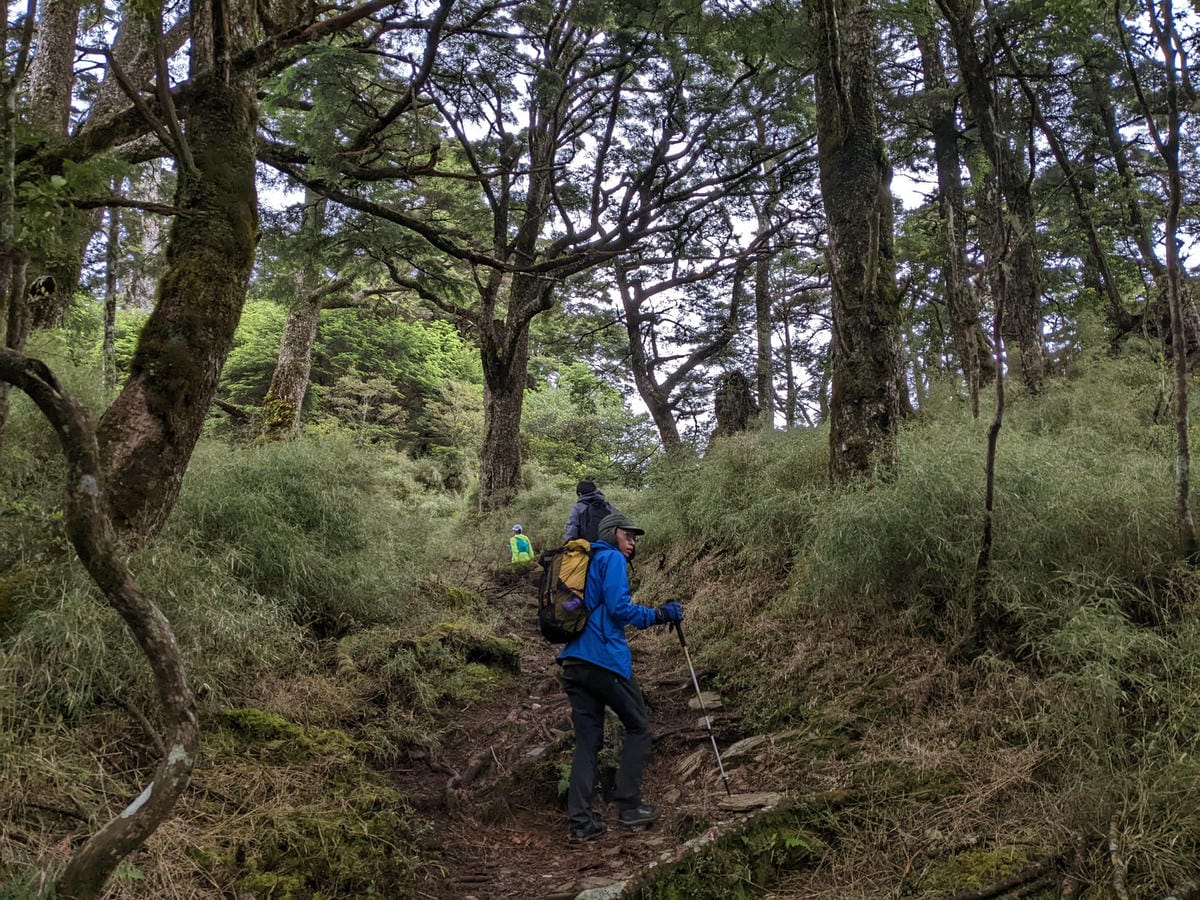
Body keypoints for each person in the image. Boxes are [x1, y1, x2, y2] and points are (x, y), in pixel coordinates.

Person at [557, 511, 684, 842]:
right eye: (629, 535)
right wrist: (659, 614)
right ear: (613, 533)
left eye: (634, 538)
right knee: (639, 727)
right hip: (604, 661)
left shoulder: (586, 563)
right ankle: (629, 807)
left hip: (574, 662)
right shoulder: (611, 558)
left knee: (588, 742)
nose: (633, 543)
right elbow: (619, 609)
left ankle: (581, 823)